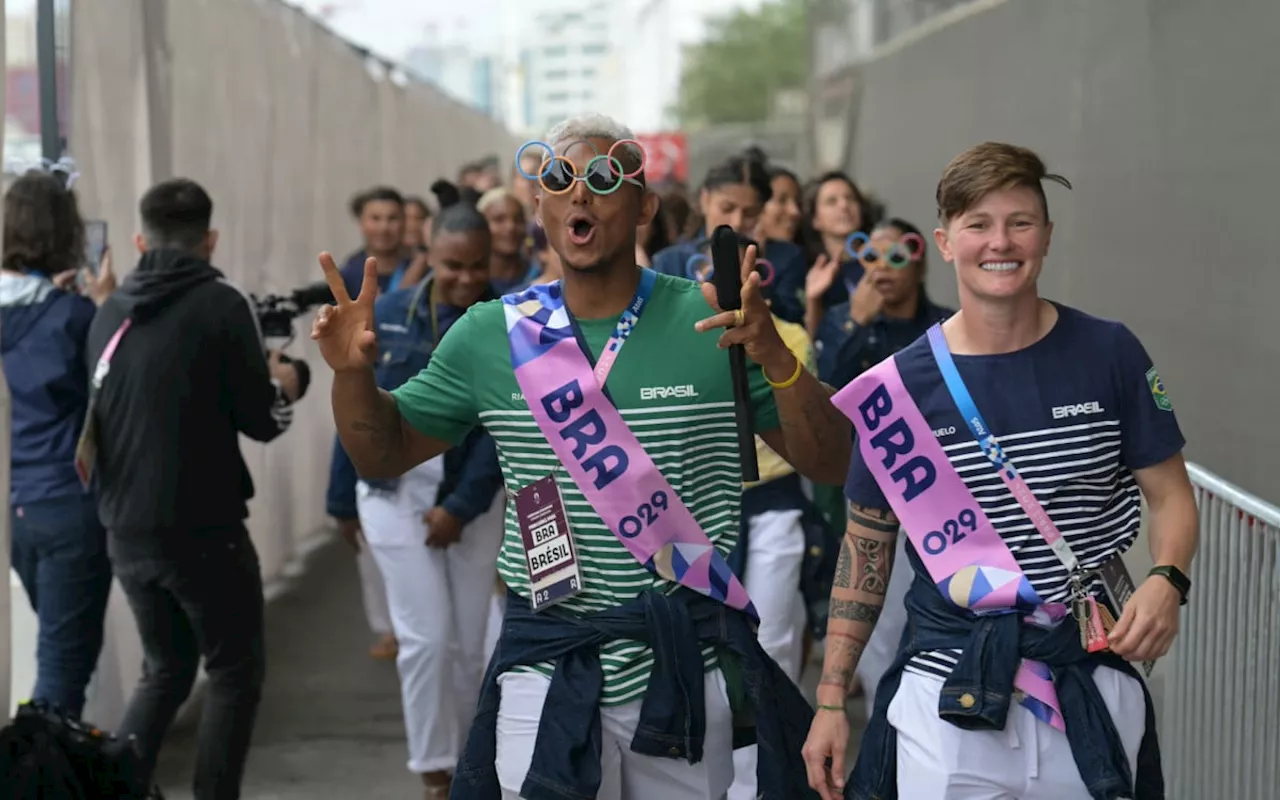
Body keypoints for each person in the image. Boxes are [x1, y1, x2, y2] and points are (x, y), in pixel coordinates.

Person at [312, 113, 852, 800]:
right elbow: (382, 452)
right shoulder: (493, 334)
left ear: (645, 207)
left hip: (684, 661)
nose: (580, 193)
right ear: (540, 204)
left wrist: (774, 353)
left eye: (604, 178)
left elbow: (834, 461)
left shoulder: (715, 321)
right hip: (546, 659)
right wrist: (351, 374)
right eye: (559, 178)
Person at [802, 142, 1199, 800]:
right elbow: (865, 547)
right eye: (978, 224)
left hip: (1088, 671)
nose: (1000, 242)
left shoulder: (1111, 352)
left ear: (1046, 235)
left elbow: (1171, 495)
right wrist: (831, 700)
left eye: (1020, 222)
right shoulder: (896, 388)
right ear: (946, 241)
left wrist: (1167, 580)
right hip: (946, 683)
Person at [85, 178, 305, 800]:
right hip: (203, 530)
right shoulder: (221, 304)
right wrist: (286, 382)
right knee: (234, 673)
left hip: (124, 529)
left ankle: (115, 791)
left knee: (165, 669)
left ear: (138, 240)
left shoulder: (109, 312)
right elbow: (261, 420)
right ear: (210, 239)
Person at [347, 199, 507, 799]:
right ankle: (434, 769)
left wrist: (460, 507)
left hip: (473, 498)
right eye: (452, 266)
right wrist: (342, 501)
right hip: (392, 495)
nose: (466, 279)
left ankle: (470, 761)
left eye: (477, 266)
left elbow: (506, 427)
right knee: (426, 638)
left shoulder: (508, 320)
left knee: (471, 643)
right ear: (429, 256)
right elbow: (358, 411)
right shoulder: (387, 314)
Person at [1, 169, 115, 719]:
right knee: (63, 671)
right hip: (68, 502)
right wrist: (107, 307)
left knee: (54, 650)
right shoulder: (75, 316)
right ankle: (39, 777)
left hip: (13, 503)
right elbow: (110, 397)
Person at [651, 149, 808, 326]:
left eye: (750, 213)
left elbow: (793, 322)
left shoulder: (784, 257)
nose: (737, 222)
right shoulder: (671, 260)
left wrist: (758, 274)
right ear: (705, 200)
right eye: (727, 208)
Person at [477, 187, 534, 293]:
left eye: (518, 219)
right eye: (499, 220)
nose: (511, 227)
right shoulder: (473, 282)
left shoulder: (538, 275)